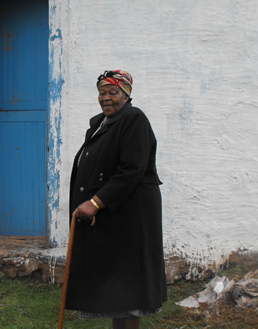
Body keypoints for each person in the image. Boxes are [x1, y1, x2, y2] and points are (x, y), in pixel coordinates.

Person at [66, 70, 167, 329]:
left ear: (126, 94)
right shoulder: (102, 122)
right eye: (102, 92)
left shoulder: (134, 118)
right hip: (116, 217)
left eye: (114, 92)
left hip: (130, 217)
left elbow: (132, 169)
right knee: (118, 289)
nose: (106, 98)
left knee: (128, 288)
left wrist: (97, 201)